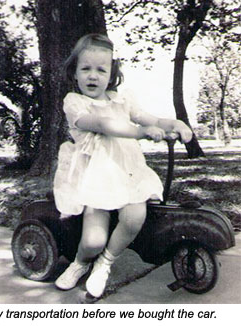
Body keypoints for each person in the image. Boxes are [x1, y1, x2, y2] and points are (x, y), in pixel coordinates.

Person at [53, 33, 192, 298]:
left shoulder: (121, 99)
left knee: (134, 217)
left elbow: (148, 117)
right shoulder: (75, 103)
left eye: (101, 70)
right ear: (75, 72)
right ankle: (81, 262)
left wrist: (174, 124)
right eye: (86, 69)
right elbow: (104, 125)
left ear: (111, 73)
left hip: (128, 173)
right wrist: (142, 132)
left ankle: (105, 263)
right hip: (96, 177)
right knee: (92, 240)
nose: (93, 76)